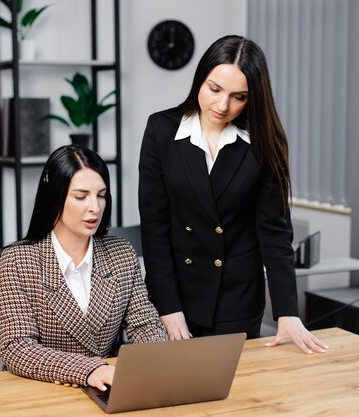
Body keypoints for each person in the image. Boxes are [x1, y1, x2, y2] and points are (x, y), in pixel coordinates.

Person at [138, 35, 328, 354]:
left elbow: (274, 234)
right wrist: (167, 307)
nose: (223, 106)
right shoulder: (161, 130)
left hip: (236, 298)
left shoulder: (264, 143)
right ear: (200, 79)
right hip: (174, 294)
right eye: (215, 90)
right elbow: (154, 228)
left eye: (238, 97)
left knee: (234, 397)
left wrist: (287, 312)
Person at [0, 145, 167, 391]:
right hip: (39, 390)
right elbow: (18, 348)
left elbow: (144, 324)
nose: (95, 208)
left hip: (107, 388)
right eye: (81, 196)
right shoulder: (18, 260)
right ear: (55, 197)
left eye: (101, 195)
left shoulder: (121, 253)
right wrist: (90, 370)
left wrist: (160, 361)